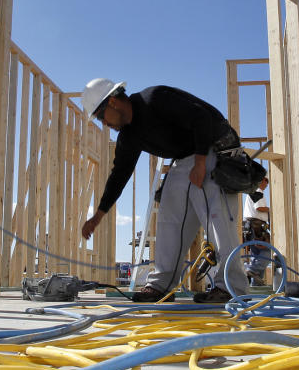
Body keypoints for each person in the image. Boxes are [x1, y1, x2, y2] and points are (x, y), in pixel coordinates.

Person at [80, 78, 248, 304]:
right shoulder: (129, 136)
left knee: (217, 220)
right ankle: (161, 286)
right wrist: (98, 216)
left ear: (112, 102)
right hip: (184, 158)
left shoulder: (154, 99)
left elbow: (202, 117)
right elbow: (119, 175)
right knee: (169, 215)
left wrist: (200, 163)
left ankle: (230, 287)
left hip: (212, 147)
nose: (104, 124)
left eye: (101, 117)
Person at [241, 176, 271, 287]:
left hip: (250, 227)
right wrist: (271, 209)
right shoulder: (258, 191)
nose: (266, 186)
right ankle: (251, 270)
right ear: (260, 181)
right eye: (265, 183)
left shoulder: (253, 192)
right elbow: (259, 208)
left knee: (257, 254)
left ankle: (256, 283)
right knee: (268, 252)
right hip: (256, 226)